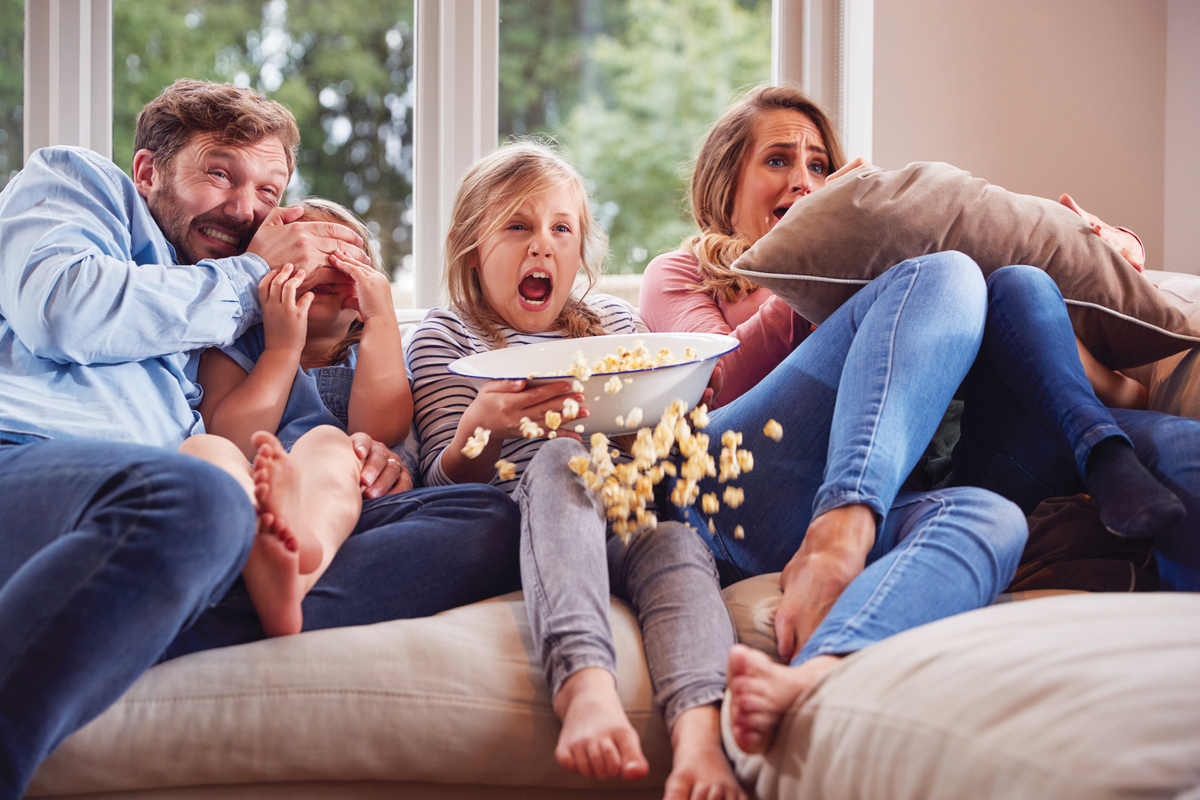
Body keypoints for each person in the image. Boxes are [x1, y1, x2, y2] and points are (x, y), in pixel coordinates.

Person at [637, 84, 1199, 754]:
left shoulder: (881, 271)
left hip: (899, 488)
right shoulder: (680, 271)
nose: (805, 179)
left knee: (999, 516)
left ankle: (821, 670)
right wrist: (814, 255)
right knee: (946, 276)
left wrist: (1106, 241)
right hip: (747, 479)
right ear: (722, 182)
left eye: (819, 166)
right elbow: (720, 381)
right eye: (779, 161)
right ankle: (838, 528)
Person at [0, 79, 520, 797]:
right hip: (29, 460)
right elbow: (62, 309)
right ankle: (149, 599)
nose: (245, 209)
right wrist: (246, 277)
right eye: (219, 173)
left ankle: (129, 613)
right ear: (150, 171)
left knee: (489, 518)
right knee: (202, 494)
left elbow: (305, 441)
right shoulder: (81, 185)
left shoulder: (251, 316)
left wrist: (352, 461)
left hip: (178, 524)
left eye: (268, 191)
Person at [407, 142, 745, 800]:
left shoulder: (616, 326)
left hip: (624, 515)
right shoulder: (448, 337)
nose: (543, 247)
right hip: (522, 530)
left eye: (562, 229)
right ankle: (585, 684)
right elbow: (440, 489)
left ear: (581, 248)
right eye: (517, 226)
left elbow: (655, 457)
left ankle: (700, 738)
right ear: (473, 248)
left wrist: (678, 409)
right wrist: (485, 424)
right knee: (564, 454)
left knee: (676, 540)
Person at [181, 198, 411, 638]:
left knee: (329, 441)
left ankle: (293, 568)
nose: (321, 267)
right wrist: (281, 349)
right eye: (301, 253)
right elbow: (233, 438)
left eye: (341, 258)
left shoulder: (370, 352)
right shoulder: (235, 349)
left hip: (334, 498)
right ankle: (270, 553)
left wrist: (381, 317)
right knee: (201, 448)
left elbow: (380, 430)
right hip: (248, 484)